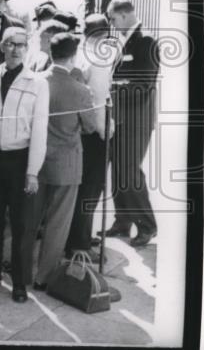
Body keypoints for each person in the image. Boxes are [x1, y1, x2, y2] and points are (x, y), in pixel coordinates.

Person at [0, 27, 49, 303]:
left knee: (21, 224)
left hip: (20, 160)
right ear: (1, 46)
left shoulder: (38, 83)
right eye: (10, 44)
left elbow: (39, 129)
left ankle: (19, 282)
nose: (16, 49)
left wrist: (33, 171)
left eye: (21, 45)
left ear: (27, 48)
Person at [25, 33, 98, 291]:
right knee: (57, 224)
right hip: (66, 163)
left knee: (30, 218)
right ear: (73, 56)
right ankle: (43, 277)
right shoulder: (79, 90)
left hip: (36, 160)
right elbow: (90, 127)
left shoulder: (36, 80)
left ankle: (21, 270)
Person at [103, 0, 159, 247]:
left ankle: (147, 226)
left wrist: (111, 91)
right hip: (121, 117)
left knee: (129, 171)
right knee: (118, 171)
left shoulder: (146, 40)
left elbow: (144, 84)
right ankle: (123, 221)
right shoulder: (126, 40)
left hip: (136, 118)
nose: (112, 25)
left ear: (124, 15)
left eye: (113, 20)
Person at [67, 14, 119, 254]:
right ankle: (80, 244)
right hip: (93, 132)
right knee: (90, 188)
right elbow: (98, 99)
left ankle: (78, 237)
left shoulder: (80, 51)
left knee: (79, 188)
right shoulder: (99, 57)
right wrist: (105, 130)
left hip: (75, 129)